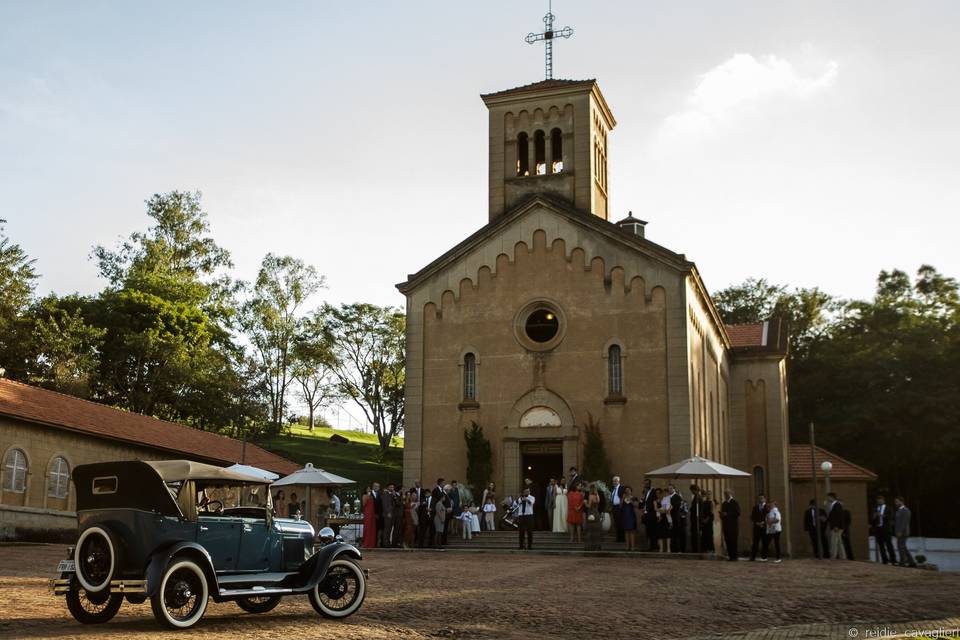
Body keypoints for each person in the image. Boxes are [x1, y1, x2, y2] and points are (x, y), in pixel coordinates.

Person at [872, 495, 897, 565]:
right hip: (878, 529)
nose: (879, 501)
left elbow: (890, 517)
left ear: (883, 500)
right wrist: (874, 517)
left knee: (889, 545)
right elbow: (873, 520)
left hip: (886, 529)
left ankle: (893, 560)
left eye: (880, 500)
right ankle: (884, 560)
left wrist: (882, 515)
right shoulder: (875, 509)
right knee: (881, 546)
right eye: (878, 500)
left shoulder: (888, 508)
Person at [894, 496, 917, 567]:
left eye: (897, 501)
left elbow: (904, 522)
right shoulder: (899, 510)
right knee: (903, 547)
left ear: (901, 501)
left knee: (900, 547)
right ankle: (912, 562)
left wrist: (900, 531)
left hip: (903, 532)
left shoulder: (905, 510)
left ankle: (902, 562)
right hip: (899, 532)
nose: (895, 503)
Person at [720, 489, 740, 561]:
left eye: (727, 494)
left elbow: (738, 513)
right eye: (725, 494)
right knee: (727, 541)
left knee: (733, 541)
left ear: (731, 494)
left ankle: (734, 556)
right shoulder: (724, 503)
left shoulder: (734, 502)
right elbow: (722, 515)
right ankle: (731, 556)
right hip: (726, 525)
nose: (726, 495)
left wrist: (727, 514)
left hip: (733, 526)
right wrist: (722, 515)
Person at [826, 492, 846, 560]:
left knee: (834, 541)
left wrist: (836, 526)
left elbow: (838, 516)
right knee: (839, 542)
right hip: (838, 526)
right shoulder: (834, 505)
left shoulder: (837, 505)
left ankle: (833, 556)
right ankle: (843, 556)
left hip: (837, 527)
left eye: (828, 497)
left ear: (832, 497)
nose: (828, 498)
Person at [640, 479, 657, 551]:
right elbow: (641, 505)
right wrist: (642, 499)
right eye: (645, 484)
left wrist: (646, 510)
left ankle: (653, 547)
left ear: (650, 484)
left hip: (652, 515)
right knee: (648, 531)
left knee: (652, 531)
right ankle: (649, 547)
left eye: (647, 484)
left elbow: (653, 503)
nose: (645, 485)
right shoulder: (645, 493)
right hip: (646, 515)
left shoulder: (653, 492)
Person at [584, 482, 602, 551]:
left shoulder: (590, 496)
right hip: (596, 513)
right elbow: (598, 503)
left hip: (591, 512)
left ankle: (590, 547)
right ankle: (597, 546)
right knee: (596, 530)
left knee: (590, 530)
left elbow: (589, 506)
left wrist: (585, 503)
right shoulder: (597, 495)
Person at [750, 494, 768, 561]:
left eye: (762, 498)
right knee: (755, 542)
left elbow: (769, 516)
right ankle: (753, 557)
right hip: (757, 527)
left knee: (765, 542)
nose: (760, 500)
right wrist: (756, 522)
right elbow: (752, 517)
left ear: (764, 499)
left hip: (764, 527)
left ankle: (764, 557)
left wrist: (764, 522)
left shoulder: (767, 507)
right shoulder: (755, 507)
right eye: (759, 498)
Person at [622, 486, 639, 551]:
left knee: (632, 531)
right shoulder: (623, 498)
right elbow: (620, 506)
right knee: (626, 531)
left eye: (628, 490)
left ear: (631, 491)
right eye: (626, 490)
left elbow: (636, 505)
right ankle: (627, 546)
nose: (627, 491)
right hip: (625, 516)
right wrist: (622, 499)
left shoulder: (634, 498)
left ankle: (632, 547)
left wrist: (630, 500)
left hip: (631, 515)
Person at [610, 475, 625, 543]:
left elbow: (623, 497)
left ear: (619, 481)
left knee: (620, 523)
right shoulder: (612, 489)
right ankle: (618, 538)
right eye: (613, 481)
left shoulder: (621, 488)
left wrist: (620, 506)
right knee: (616, 523)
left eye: (615, 481)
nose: (614, 482)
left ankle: (622, 538)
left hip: (619, 507)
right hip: (614, 507)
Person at [380, 483, 396, 548]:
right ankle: (385, 543)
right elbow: (385, 505)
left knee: (390, 529)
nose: (392, 488)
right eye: (391, 487)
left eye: (393, 487)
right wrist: (388, 512)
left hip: (393, 514)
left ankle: (388, 542)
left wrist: (394, 496)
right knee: (387, 529)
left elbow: (394, 504)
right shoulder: (385, 494)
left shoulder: (393, 494)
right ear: (388, 488)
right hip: (387, 514)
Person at [658, 487, 673, 552]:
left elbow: (668, 511)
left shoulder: (669, 499)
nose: (665, 494)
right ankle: (661, 548)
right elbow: (659, 510)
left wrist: (670, 521)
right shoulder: (661, 500)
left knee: (667, 534)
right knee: (660, 534)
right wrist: (658, 515)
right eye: (664, 493)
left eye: (666, 493)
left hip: (667, 518)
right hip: (661, 517)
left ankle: (668, 548)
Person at [689, 485, 702, 553]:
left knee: (696, 535)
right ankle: (695, 549)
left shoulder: (698, 497)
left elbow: (699, 510)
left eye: (692, 490)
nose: (691, 492)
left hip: (696, 520)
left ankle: (696, 550)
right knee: (694, 535)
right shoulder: (696, 497)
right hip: (694, 520)